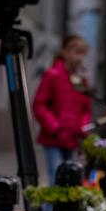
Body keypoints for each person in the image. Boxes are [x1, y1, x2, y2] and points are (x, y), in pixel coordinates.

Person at [31, 35, 93, 185]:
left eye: (82, 53)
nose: (80, 57)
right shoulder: (53, 75)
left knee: (70, 178)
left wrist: (83, 127)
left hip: (72, 138)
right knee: (56, 176)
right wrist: (54, 126)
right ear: (65, 52)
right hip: (53, 138)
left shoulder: (80, 79)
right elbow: (39, 104)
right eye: (76, 52)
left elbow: (86, 108)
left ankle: (62, 209)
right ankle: (50, 209)